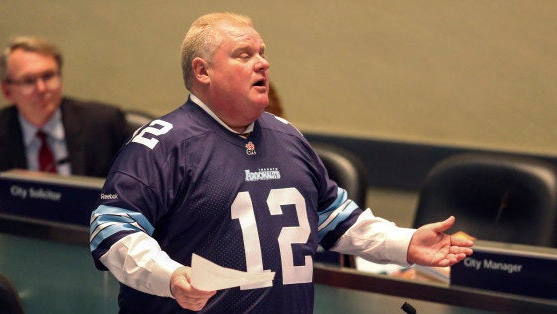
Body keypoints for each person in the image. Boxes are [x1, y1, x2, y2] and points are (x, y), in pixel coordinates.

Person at [89, 12, 473, 313]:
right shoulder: (164, 143)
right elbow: (110, 230)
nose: (263, 64)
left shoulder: (287, 136)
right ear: (202, 71)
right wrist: (170, 277)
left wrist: (406, 242)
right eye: (244, 55)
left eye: (262, 53)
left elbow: (337, 220)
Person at [0, 36, 132, 208]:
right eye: (28, 81)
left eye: (48, 76)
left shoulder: (104, 123)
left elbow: (135, 190)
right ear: (7, 91)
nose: (41, 89)